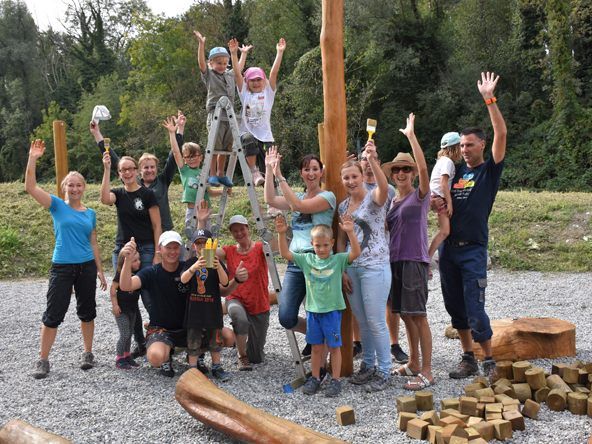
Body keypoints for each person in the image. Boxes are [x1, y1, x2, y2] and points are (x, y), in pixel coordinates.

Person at [438, 72, 507, 379]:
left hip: (473, 250)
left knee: (476, 309)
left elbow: (502, 134)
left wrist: (489, 99)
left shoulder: (488, 172)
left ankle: (489, 360)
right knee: (456, 309)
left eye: (470, 144)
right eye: (462, 145)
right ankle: (468, 358)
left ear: (482, 144)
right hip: (448, 250)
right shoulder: (454, 173)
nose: (465, 149)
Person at [26, 139, 107, 379]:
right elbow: (30, 187)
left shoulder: (90, 213)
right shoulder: (57, 206)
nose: (74, 189)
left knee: (87, 311)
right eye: (70, 185)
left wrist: (100, 269)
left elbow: (93, 242)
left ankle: (87, 353)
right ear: (64, 188)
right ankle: (43, 359)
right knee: (54, 313)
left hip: (86, 267)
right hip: (62, 266)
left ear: (83, 188)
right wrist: (33, 158)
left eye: (78, 185)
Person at [119, 231, 247, 378]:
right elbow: (126, 286)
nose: (172, 251)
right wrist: (128, 261)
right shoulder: (152, 272)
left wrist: (237, 280)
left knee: (227, 337)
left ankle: (198, 355)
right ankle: (168, 357)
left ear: (181, 249)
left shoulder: (189, 265)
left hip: (193, 324)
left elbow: (221, 291)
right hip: (163, 329)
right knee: (156, 357)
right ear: (160, 250)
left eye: (176, 247)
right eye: (168, 247)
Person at [276, 216, 360, 397]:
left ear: (331, 243)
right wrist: (282, 234)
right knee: (315, 347)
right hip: (313, 313)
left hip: (331, 313)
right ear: (311, 244)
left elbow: (355, 253)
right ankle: (315, 377)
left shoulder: (338, 260)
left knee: (334, 347)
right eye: (317, 245)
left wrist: (351, 232)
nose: (321, 249)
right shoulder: (307, 260)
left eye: (325, 245)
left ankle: (336, 380)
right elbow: (285, 254)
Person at [264, 147, 336, 355]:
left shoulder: (327, 197)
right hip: (295, 262)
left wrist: (280, 176)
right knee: (286, 317)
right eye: (306, 169)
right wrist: (269, 170)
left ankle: (321, 355)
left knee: (318, 311)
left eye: (315, 169)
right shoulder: (296, 195)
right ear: (302, 173)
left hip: (317, 260)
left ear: (321, 172)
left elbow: (298, 206)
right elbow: (270, 199)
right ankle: (315, 336)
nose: (311, 173)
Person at [384, 113, 434, 390]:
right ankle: (413, 362)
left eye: (406, 169)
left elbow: (426, 171)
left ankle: (427, 370)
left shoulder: (420, 195)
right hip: (395, 262)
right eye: (397, 170)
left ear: (413, 173)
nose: (401, 173)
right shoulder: (393, 200)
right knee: (404, 314)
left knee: (419, 315)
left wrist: (411, 136)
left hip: (414, 260)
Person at [337, 140, 391, 392]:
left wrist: (371, 161)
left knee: (376, 320)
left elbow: (383, 185)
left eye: (354, 176)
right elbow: (341, 241)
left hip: (375, 266)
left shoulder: (375, 197)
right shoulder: (343, 207)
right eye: (346, 178)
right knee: (362, 319)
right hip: (353, 268)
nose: (350, 181)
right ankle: (368, 364)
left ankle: (384, 370)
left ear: (361, 176)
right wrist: (342, 271)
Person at [354, 150, 409, 364]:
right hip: (359, 254)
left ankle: (394, 344)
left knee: (389, 302)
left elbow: (393, 217)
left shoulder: (388, 189)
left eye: (373, 159)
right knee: (358, 304)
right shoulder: (355, 187)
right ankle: (358, 342)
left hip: (385, 251)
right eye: (365, 159)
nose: (368, 163)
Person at [202, 207, 270, 371]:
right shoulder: (229, 251)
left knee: (257, 357)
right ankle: (241, 355)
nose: (239, 233)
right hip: (236, 297)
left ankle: (243, 342)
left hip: (258, 303)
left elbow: (278, 247)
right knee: (239, 318)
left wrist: (274, 227)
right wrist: (203, 222)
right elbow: (207, 253)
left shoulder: (261, 248)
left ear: (248, 228)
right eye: (235, 231)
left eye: (241, 229)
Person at [90, 118, 179, 233]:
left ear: (157, 168)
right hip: (143, 234)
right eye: (146, 167)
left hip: (164, 231)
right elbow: (115, 160)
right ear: (138, 170)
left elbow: (174, 156)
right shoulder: (133, 182)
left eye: (152, 167)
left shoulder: (163, 180)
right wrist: (97, 133)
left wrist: (176, 132)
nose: (149, 170)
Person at [194, 31, 248, 188]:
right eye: (218, 63)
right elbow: (201, 65)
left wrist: (242, 53)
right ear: (211, 63)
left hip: (229, 115)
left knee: (226, 146)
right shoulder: (209, 75)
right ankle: (212, 174)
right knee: (214, 145)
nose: (222, 66)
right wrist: (201, 44)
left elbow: (239, 68)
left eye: (225, 63)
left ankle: (221, 173)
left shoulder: (230, 75)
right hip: (215, 113)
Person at [229, 37, 286, 186]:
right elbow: (236, 74)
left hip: (266, 136)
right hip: (248, 133)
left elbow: (274, 73)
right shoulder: (245, 93)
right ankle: (254, 171)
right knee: (247, 139)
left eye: (258, 79)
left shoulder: (268, 92)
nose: (255, 82)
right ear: (247, 82)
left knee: (270, 167)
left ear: (264, 80)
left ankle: (272, 204)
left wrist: (279, 52)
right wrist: (234, 54)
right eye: (252, 80)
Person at [180, 228, 231, 381]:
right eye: (198, 243)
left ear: (212, 246)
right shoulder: (190, 262)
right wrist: (194, 268)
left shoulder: (217, 263)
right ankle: (192, 369)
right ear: (194, 246)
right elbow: (183, 279)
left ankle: (216, 366)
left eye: (205, 243)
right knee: (193, 341)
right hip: (194, 310)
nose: (201, 247)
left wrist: (218, 266)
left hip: (212, 309)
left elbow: (225, 282)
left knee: (215, 340)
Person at [162, 116, 223, 239]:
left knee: (207, 238)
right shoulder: (184, 170)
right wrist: (172, 133)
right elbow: (175, 152)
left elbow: (209, 192)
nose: (192, 159)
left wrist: (223, 191)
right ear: (184, 159)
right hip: (192, 211)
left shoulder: (204, 172)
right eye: (188, 157)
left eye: (195, 156)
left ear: (200, 157)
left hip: (205, 211)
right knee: (193, 239)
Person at [427, 132, 462, 259]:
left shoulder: (442, 160)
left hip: (434, 196)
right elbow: (443, 183)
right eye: (460, 146)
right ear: (455, 148)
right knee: (445, 231)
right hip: (439, 198)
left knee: (444, 230)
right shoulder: (448, 162)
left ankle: (427, 256)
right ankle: (427, 256)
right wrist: (450, 203)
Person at [110, 251, 142, 369]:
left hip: (132, 309)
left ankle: (127, 355)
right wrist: (115, 305)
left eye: (139, 259)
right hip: (121, 310)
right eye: (134, 260)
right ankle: (119, 358)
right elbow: (113, 289)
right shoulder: (120, 274)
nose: (138, 262)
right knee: (125, 333)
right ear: (125, 262)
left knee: (130, 333)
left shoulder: (138, 274)